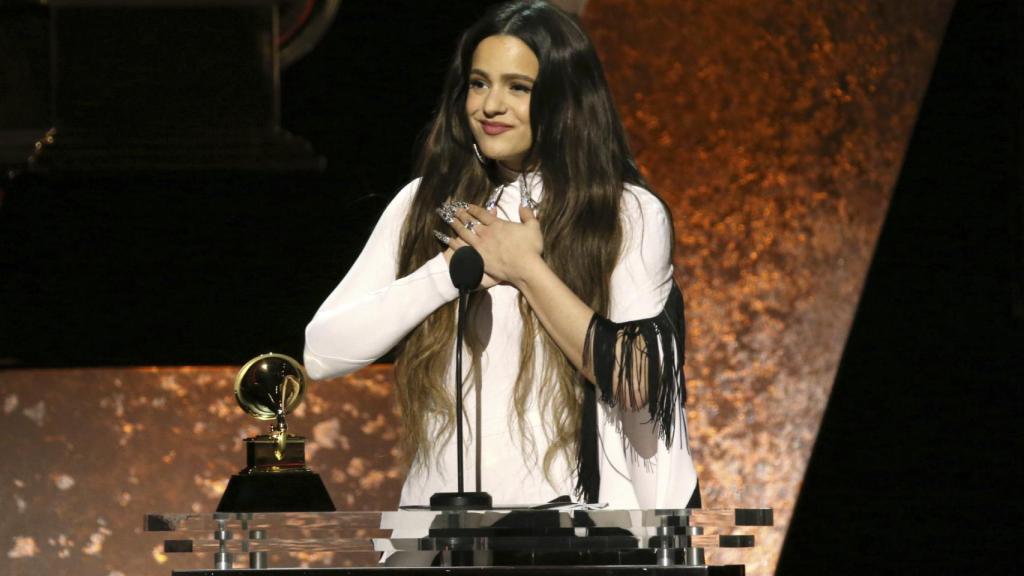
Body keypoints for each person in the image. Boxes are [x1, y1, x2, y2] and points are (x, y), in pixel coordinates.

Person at [304, 0, 699, 511]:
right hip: (439, 529)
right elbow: (322, 352)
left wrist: (526, 269)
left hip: (583, 531)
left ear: (565, 99)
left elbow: (637, 382)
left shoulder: (624, 212)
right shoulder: (425, 204)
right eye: (478, 83)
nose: (490, 106)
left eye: (519, 87)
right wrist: (444, 276)